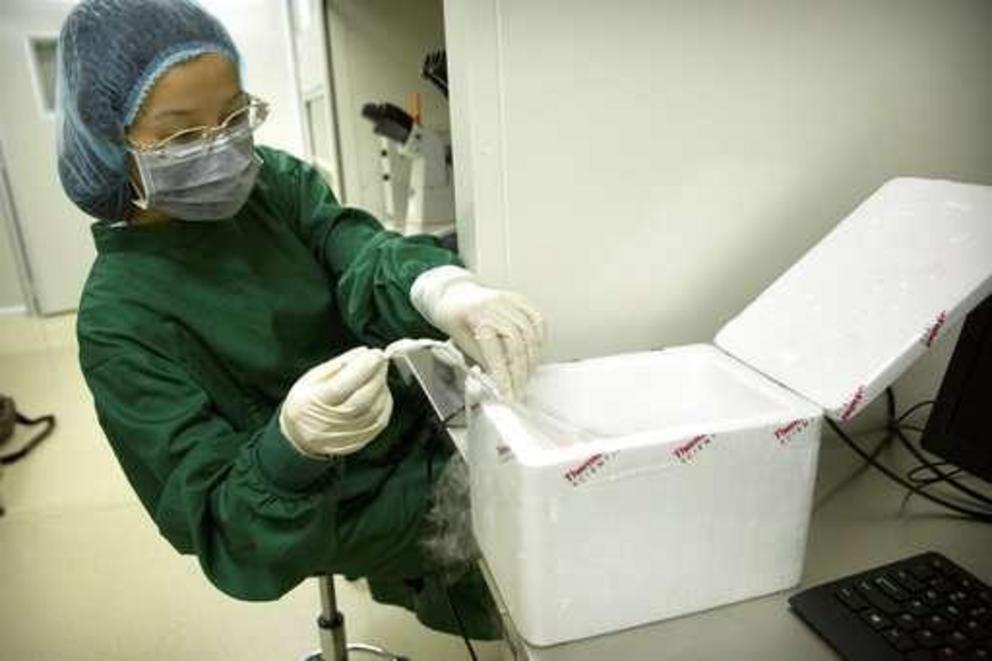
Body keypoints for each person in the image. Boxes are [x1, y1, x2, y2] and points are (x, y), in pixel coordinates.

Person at [56, 0, 544, 639]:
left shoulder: (270, 185)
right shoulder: (117, 321)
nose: (221, 147)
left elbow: (352, 250)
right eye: (179, 136)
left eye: (234, 116)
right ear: (106, 143)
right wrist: (293, 448)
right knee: (520, 546)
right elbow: (221, 523)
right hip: (326, 503)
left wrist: (438, 287)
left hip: (408, 422)